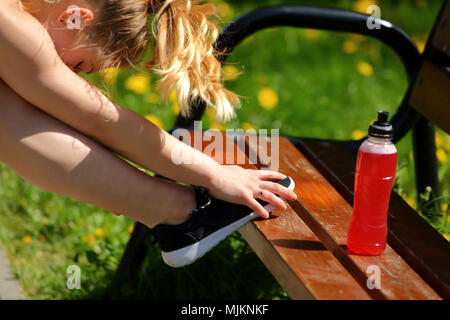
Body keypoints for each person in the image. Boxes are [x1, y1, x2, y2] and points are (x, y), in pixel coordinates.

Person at [0, 0, 297, 267]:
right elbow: (98, 119)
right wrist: (216, 175)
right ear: (74, 17)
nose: (71, 76)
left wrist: (111, 183)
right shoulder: (10, 23)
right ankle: (180, 213)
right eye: (78, 65)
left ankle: (173, 211)